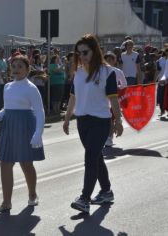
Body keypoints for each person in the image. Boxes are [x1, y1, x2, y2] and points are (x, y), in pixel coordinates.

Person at [63, 34, 124, 214]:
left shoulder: (108, 72)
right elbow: (73, 98)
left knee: (90, 158)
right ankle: (106, 191)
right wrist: (67, 118)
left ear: (95, 50)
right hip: (83, 122)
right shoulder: (78, 73)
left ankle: (85, 198)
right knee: (96, 158)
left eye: (85, 52)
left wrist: (118, 121)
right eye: (78, 53)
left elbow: (113, 100)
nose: (82, 56)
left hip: (100, 122)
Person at [0, 55, 45, 213]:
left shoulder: (31, 88)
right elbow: (6, 109)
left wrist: (38, 133)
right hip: (9, 126)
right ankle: (6, 202)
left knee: (26, 163)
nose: (15, 69)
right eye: (13, 66)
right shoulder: (8, 86)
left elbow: (40, 111)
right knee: (5, 163)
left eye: (19, 66)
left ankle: (32, 194)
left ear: (27, 69)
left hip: (25, 126)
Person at [103, 52, 127, 147]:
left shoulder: (118, 71)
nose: (108, 62)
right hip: (103, 100)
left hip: (114, 98)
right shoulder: (102, 71)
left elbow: (124, 84)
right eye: (106, 60)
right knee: (106, 120)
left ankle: (109, 137)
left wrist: (116, 86)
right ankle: (106, 136)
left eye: (110, 60)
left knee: (111, 119)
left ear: (114, 61)